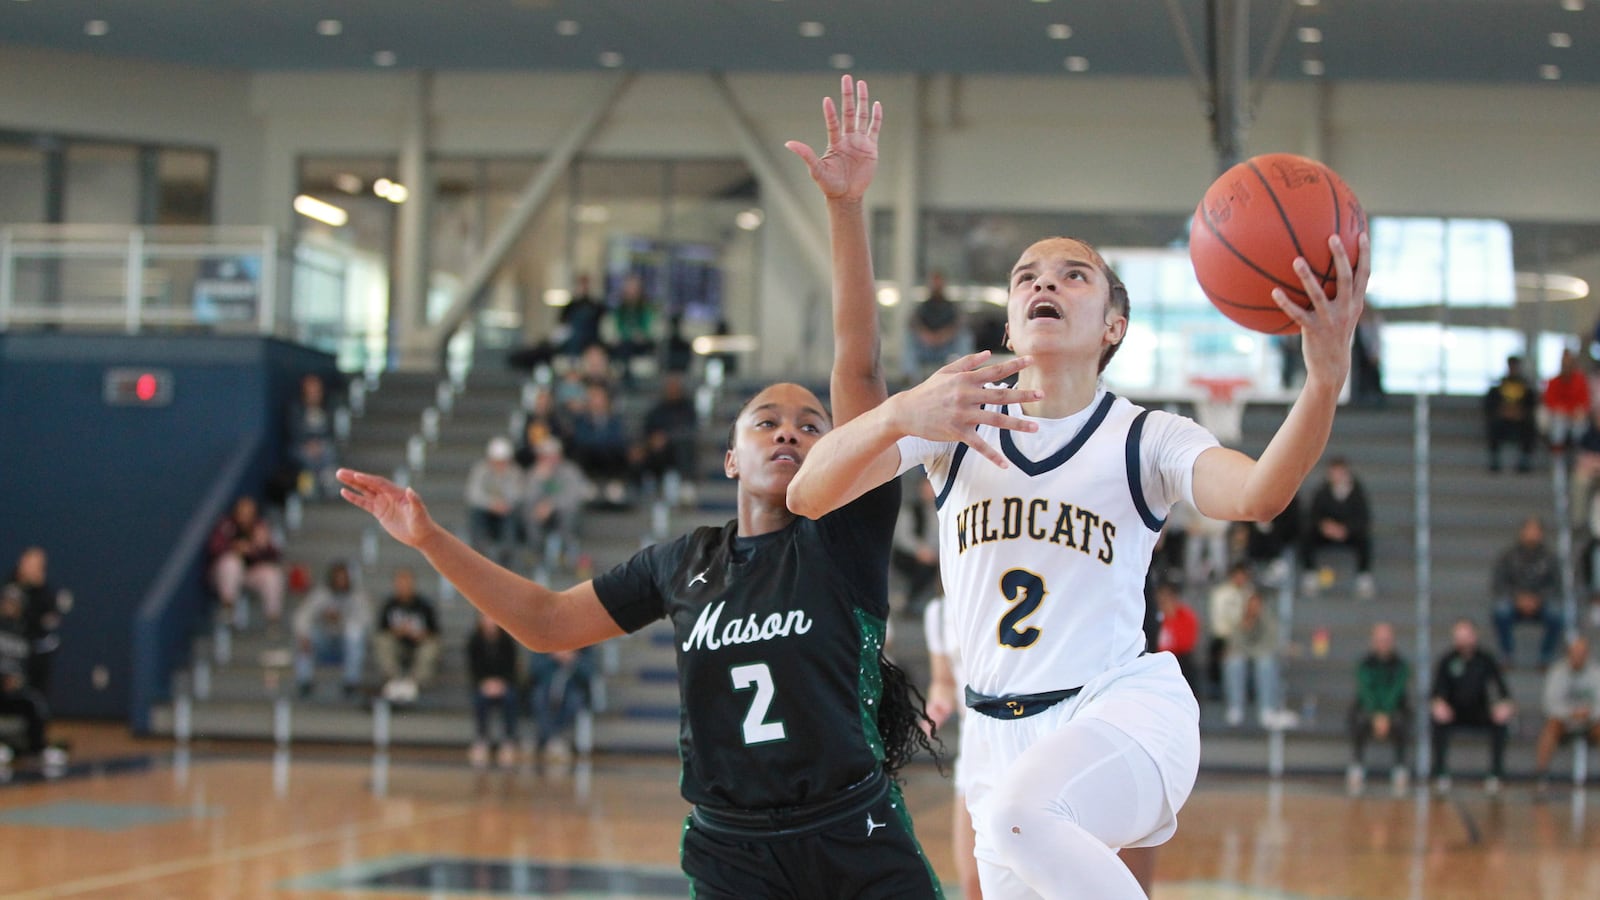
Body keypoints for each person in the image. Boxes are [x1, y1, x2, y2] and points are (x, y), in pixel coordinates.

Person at [337, 76, 942, 898]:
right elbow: (548, 624)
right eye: (766, 421)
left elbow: (859, 367)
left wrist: (843, 207)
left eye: (810, 424)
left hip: (852, 832)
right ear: (730, 457)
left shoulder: (846, 532)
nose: (791, 432)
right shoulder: (684, 565)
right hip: (734, 849)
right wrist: (429, 537)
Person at [787, 91, 1370, 892]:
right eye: (1025, 276)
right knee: (1011, 825)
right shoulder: (953, 419)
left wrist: (1324, 380)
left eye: (1073, 274)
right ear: (1009, 324)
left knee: (1020, 818)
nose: (1043, 283)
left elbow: (1261, 494)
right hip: (995, 737)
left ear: (1112, 326)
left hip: (1120, 713)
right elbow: (808, 497)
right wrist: (897, 413)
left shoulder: (1146, 437)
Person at [921, 595, 981, 900]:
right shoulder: (940, 610)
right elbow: (943, 679)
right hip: (975, 748)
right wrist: (938, 705)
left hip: (1034, 737)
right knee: (973, 881)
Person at [1430, 618, 1514, 793]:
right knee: (1438, 722)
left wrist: (1504, 705)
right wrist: (1438, 704)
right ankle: (1440, 773)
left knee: (1500, 723)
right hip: (1454, 712)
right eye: (1458, 636)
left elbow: (1502, 689)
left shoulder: (1486, 660)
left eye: (1466, 635)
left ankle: (1496, 773)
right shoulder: (1447, 660)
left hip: (1480, 711)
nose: (1462, 640)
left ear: (1474, 636)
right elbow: (1436, 692)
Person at [0, 587, 65, 768]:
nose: (10, 607)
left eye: (14, 604)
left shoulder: (24, 632)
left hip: (15, 690)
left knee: (33, 703)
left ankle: (38, 748)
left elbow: (32, 660)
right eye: (7, 603)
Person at [1490, 515, 1564, 667]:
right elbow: (1499, 583)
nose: (1532, 533)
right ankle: (1506, 654)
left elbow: (1556, 585)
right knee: (1500, 610)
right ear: (1522, 532)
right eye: (1529, 530)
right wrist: (1518, 598)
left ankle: (1546, 656)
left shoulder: (1550, 558)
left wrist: (1538, 599)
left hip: (1541, 603)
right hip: (1514, 602)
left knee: (1557, 614)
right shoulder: (1508, 556)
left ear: (1541, 533)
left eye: (1536, 530)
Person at [292, 561, 371, 701]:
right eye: (338, 578)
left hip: (345, 645)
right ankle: (304, 681)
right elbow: (301, 616)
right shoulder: (321, 595)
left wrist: (342, 619)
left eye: (344, 578)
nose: (341, 582)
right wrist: (305, 634)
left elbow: (366, 622)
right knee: (305, 636)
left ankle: (351, 682)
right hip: (324, 643)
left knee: (354, 632)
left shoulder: (357, 597)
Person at [1347, 621, 1410, 794]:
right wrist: (1375, 715)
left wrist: (1386, 716)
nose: (1383, 643)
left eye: (1387, 639)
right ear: (1373, 641)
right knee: (1357, 717)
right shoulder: (1364, 664)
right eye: (1380, 639)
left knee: (1402, 719)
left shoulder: (1401, 665)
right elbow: (1366, 692)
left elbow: (1396, 692)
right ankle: (1357, 765)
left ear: (1393, 641)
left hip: (1393, 712)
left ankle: (1400, 767)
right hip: (1369, 712)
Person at [205, 496, 286, 630]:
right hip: (223, 574)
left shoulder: (259, 527)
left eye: (249, 513)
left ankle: (273, 620)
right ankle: (228, 610)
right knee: (231, 563)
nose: (245, 517)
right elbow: (214, 548)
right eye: (242, 512)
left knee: (272, 574)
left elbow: (275, 556)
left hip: (250, 573)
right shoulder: (226, 525)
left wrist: (263, 547)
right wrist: (234, 547)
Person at [1299, 457, 1375, 598]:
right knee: (1306, 536)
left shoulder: (1357, 493)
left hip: (1348, 535)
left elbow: (1363, 518)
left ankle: (1363, 576)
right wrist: (1325, 527)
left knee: (1364, 540)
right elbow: (1313, 516)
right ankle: (1309, 574)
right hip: (1326, 534)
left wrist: (1346, 529)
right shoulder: (1322, 492)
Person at [1534, 634, 1600, 792]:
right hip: (1564, 722)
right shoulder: (1558, 672)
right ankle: (1541, 776)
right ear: (1568, 654)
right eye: (1575, 653)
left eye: (1582, 653)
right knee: (1550, 728)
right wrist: (1571, 713)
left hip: (1590, 721)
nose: (1578, 657)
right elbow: (1549, 704)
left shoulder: (1596, 673)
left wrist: (1589, 714)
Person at [4, 547, 67, 699]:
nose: (30, 568)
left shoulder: (45, 593)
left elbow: (48, 621)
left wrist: (24, 611)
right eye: (28, 563)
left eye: (36, 565)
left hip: (34, 651)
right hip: (8, 648)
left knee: (34, 694)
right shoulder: (8, 586)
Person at [521, 437, 590, 574]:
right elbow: (526, 497)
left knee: (568, 514)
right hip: (541, 513)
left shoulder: (570, 471)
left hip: (563, 512)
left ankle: (566, 552)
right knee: (529, 512)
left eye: (553, 455)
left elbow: (576, 495)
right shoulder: (534, 473)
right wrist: (539, 480)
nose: (550, 459)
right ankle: (536, 551)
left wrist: (552, 505)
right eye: (546, 456)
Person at [373, 568, 440, 704]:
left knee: (431, 646)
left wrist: (418, 634)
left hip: (418, 646)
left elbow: (435, 632)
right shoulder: (389, 605)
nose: (404, 586)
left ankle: (414, 682)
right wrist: (399, 631)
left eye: (407, 582)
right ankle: (394, 679)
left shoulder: (424, 605)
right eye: (400, 583)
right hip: (398, 646)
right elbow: (382, 630)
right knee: (382, 641)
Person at [467, 611, 523, 768]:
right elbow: (473, 670)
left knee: (510, 698)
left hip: (504, 684)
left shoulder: (507, 641)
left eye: (492, 618)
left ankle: (509, 740)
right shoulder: (474, 641)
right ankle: (481, 739)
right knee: (480, 699)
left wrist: (501, 683)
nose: (489, 622)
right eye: (486, 618)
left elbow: (513, 669)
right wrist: (485, 683)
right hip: (483, 685)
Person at [1223, 591, 1287, 729]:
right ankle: (1235, 707)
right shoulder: (1239, 621)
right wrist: (1245, 628)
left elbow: (1271, 645)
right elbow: (1234, 646)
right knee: (1234, 663)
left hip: (1261, 659)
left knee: (1265, 663)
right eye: (1251, 605)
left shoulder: (1269, 621)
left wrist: (1251, 652)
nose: (1253, 609)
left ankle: (1266, 708)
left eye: (1257, 605)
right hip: (1245, 659)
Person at [568, 383, 638, 506]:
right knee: (583, 450)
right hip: (590, 460)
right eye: (593, 398)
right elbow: (581, 439)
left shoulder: (616, 420)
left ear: (606, 400)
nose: (596, 402)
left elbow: (618, 440)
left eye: (599, 398)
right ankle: (588, 484)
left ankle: (615, 484)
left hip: (610, 460)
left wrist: (599, 441)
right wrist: (600, 440)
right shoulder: (580, 420)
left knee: (617, 451)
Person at [638, 372, 701, 504]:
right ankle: (651, 484)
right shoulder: (658, 409)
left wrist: (667, 437)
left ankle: (685, 484)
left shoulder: (687, 408)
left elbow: (690, 429)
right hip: (658, 450)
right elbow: (647, 429)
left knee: (684, 447)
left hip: (679, 447)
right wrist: (653, 439)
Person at [526, 647, 595, 763]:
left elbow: (589, 673)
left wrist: (573, 660)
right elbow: (534, 670)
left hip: (573, 688)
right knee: (538, 698)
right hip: (546, 687)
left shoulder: (587, 643)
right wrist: (554, 657)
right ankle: (553, 738)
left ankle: (552, 737)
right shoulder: (542, 640)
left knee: (574, 701)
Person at [466, 436, 524, 566]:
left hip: (506, 512)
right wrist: (491, 503)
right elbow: (473, 494)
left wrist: (503, 504)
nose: (500, 465)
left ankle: (506, 552)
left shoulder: (515, 472)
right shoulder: (480, 470)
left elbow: (518, 495)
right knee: (476, 513)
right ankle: (481, 549)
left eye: (503, 461)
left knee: (513, 516)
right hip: (486, 512)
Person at [891, 475, 942, 615]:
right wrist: (920, 550)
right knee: (925, 568)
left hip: (937, 555)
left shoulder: (943, 510)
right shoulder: (911, 509)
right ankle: (909, 601)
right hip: (912, 555)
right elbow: (903, 536)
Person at [903, 270, 966, 382]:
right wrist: (925, 335)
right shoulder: (923, 307)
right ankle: (910, 378)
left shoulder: (951, 307)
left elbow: (959, 324)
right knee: (908, 338)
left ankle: (963, 373)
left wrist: (944, 335)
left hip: (946, 348)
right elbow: (913, 323)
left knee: (965, 337)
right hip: (926, 347)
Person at [287, 372, 340, 498]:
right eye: (310, 390)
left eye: (316, 390)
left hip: (323, 445)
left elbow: (332, 432)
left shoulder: (328, 407)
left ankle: (329, 484)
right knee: (306, 456)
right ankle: (311, 488)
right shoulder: (296, 409)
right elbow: (293, 431)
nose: (313, 393)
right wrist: (307, 444)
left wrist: (319, 444)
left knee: (328, 452)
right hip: (301, 446)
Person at [1206, 562, 1253, 703]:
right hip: (1226, 636)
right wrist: (1234, 635)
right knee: (1217, 647)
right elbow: (1218, 621)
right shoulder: (1221, 594)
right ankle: (1217, 689)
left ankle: (1249, 689)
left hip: (1247, 636)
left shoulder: (1250, 593)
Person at [1485, 355, 1538, 473]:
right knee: (1494, 425)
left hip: (1520, 420)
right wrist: (1502, 411)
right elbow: (1490, 404)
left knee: (1529, 426)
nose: (1513, 369)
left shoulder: (1526, 387)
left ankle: (1525, 459)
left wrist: (1521, 412)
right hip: (1503, 419)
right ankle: (1494, 458)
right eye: (1511, 366)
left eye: (1515, 366)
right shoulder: (1499, 386)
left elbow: (1531, 404)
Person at [1156, 580, 1201, 700]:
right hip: (1156, 658)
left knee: (1184, 663)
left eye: (1168, 596)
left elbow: (1187, 643)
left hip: (1179, 658)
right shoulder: (1153, 615)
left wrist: (1171, 618)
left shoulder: (1186, 616)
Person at [1542, 348, 1591, 453]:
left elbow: (1585, 401)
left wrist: (1574, 411)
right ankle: (1557, 456)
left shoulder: (1580, 381)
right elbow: (1549, 401)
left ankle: (1577, 453)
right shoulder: (1553, 381)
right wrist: (1561, 410)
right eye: (1564, 364)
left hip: (1575, 416)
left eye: (1569, 364)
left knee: (1580, 426)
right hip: (1558, 415)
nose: (1567, 367)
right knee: (1558, 424)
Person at [558, 273, 607, 363]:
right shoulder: (570, 306)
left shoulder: (596, 305)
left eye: (585, 284)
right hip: (575, 342)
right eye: (581, 284)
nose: (583, 287)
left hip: (593, 339)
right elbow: (562, 326)